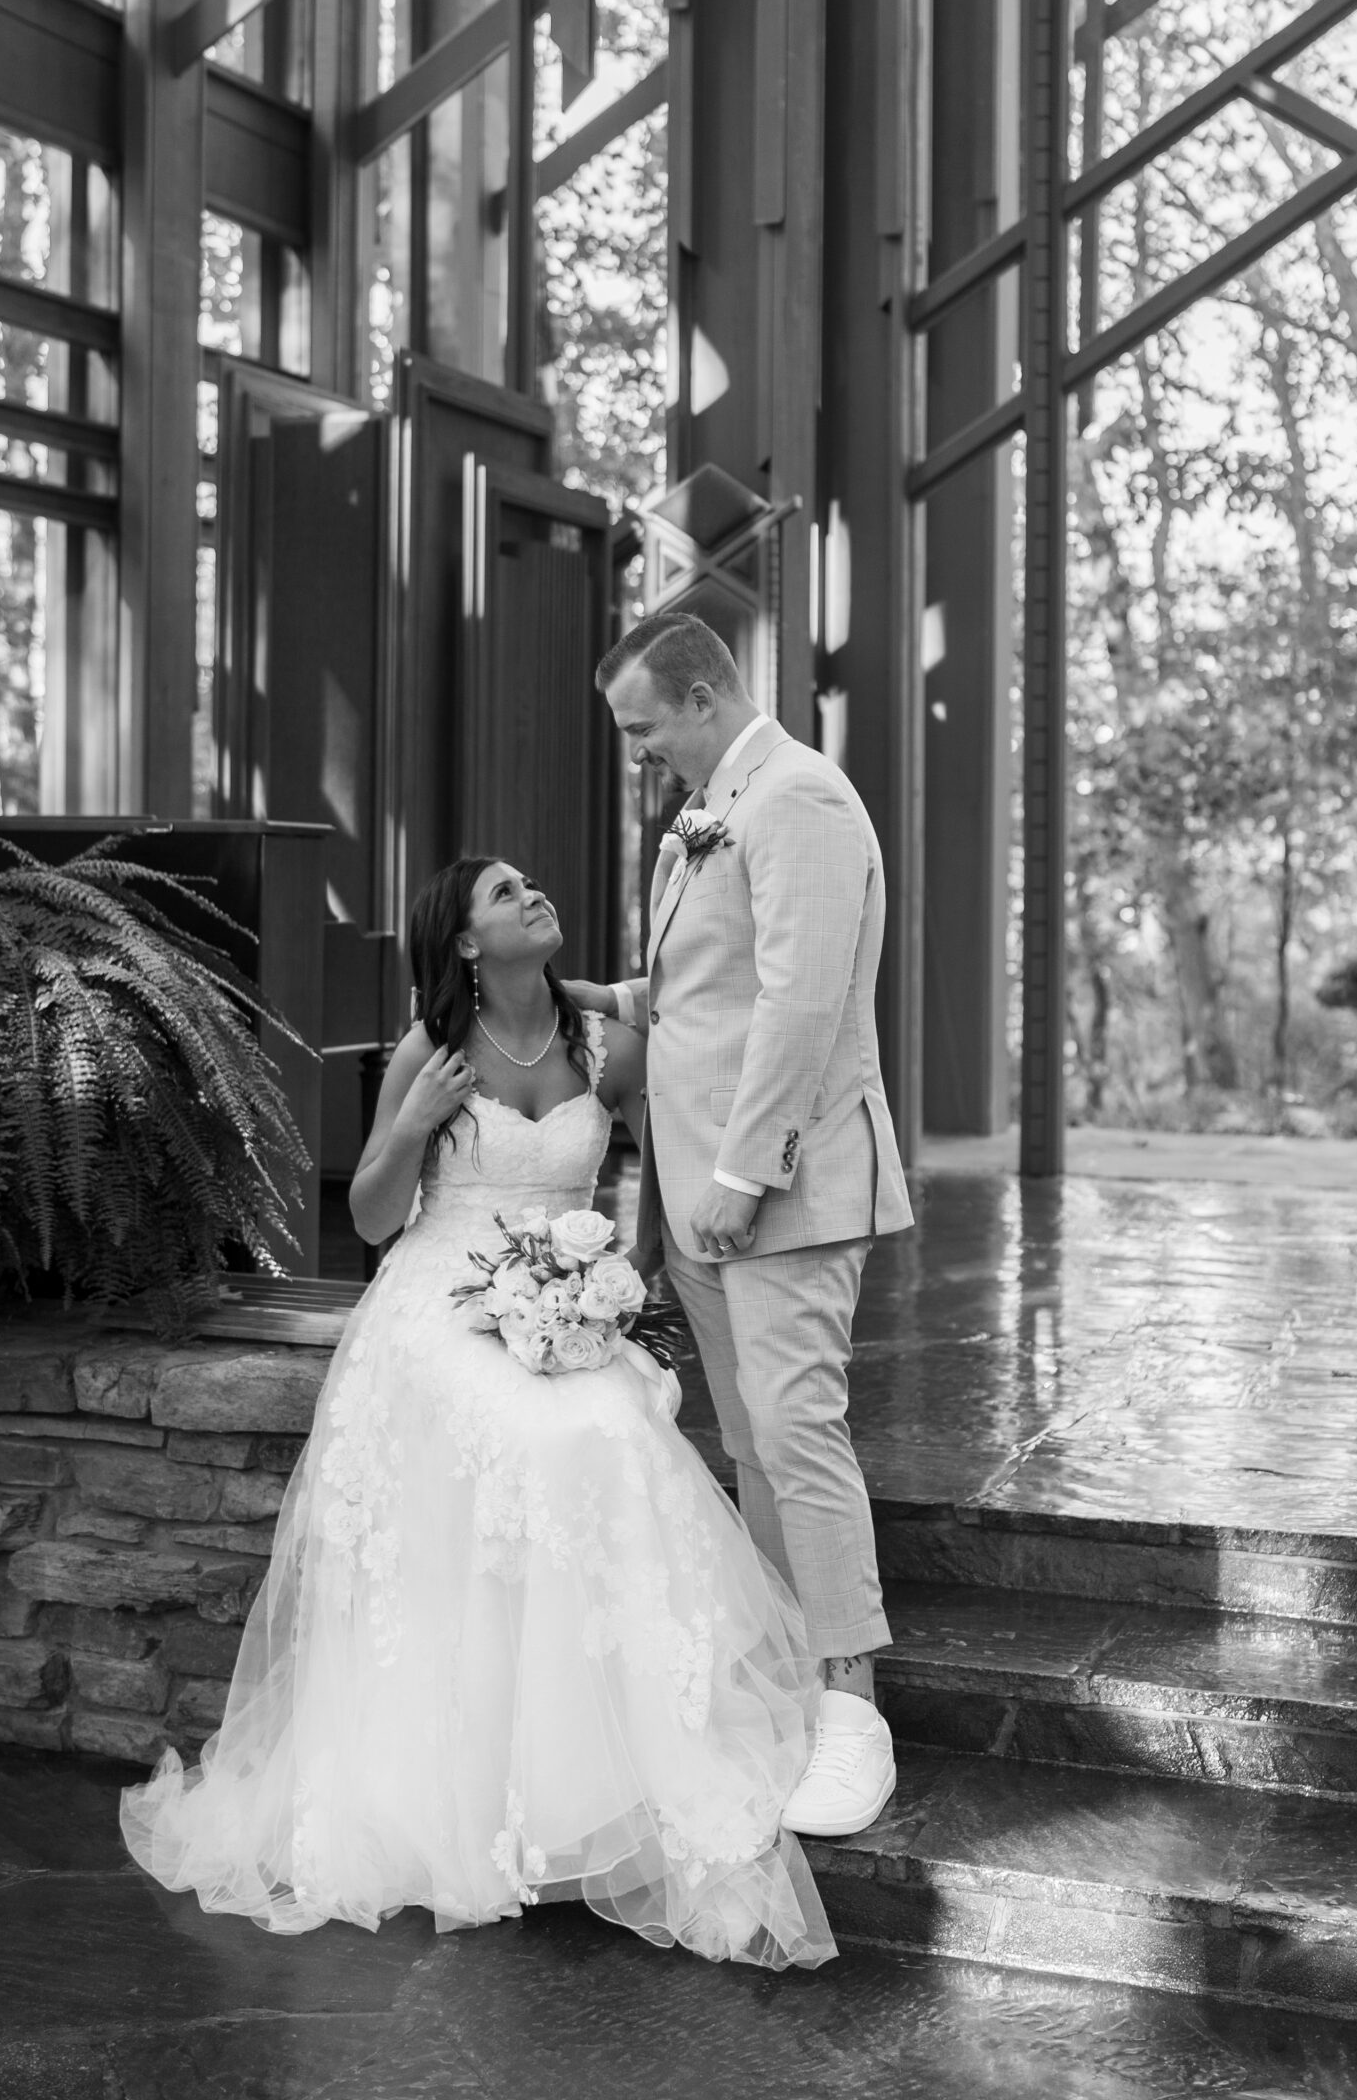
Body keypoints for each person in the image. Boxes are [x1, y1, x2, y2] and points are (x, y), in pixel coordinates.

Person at [120, 855, 836, 1970]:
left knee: (608, 1430)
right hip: (441, 1301)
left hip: (566, 1290)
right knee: (532, 1437)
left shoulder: (606, 1043)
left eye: (531, 884)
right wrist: (413, 1121)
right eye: (504, 893)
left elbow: (656, 1151)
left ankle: (604, 1771)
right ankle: (476, 1792)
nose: (535, 894)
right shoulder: (433, 1050)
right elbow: (367, 1214)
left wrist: (626, 1271)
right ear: (463, 943)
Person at [572, 609, 912, 1839]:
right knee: (755, 1445)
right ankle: (791, 1674)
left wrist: (741, 1170)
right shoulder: (713, 810)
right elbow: (710, 984)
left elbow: (802, 1003)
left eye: (644, 725)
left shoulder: (799, 800)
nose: (638, 750)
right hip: (707, 1194)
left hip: (784, 1184)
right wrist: (602, 996)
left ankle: (852, 1706)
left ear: (706, 695)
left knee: (798, 1431)